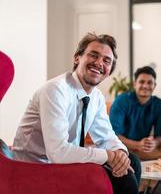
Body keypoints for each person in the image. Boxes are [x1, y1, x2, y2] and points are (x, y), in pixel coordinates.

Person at [12, 33, 140, 194]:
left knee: (132, 162)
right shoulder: (56, 90)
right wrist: (107, 156)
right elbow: (58, 153)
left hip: (61, 162)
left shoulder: (96, 97)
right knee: (124, 177)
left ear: (109, 71)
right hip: (34, 167)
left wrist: (120, 153)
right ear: (77, 58)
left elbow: (106, 137)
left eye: (106, 61)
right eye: (93, 55)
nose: (99, 63)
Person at [109, 66, 161, 161]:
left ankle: (154, 168)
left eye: (150, 83)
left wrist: (154, 143)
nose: (145, 86)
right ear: (135, 84)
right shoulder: (121, 100)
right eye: (141, 82)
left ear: (154, 86)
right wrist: (137, 145)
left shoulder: (159, 104)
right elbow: (113, 135)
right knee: (119, 149)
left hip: (144, 148)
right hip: (124, 146)